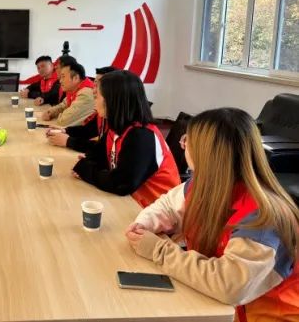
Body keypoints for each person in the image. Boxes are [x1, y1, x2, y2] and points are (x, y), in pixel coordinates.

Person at [126, 108, 299, 321]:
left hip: (270, 314)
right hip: (223, 306)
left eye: (187, 141)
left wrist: (158, 250)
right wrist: (144, 225)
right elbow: (167, 206)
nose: (183, 145)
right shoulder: (203, 185)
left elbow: (230, 286)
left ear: (205, 154)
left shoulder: (262, 217)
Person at [72, 70, 180, 207]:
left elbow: (121, 184)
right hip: (133, 203)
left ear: (112, 101)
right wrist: (90, 167)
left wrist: (87, 170)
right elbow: (95, 155)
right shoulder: (117, 128)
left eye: (97, 96)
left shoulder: (141, 136)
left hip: (156, 212)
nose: (95, 102)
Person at [47, 66, 118, 152]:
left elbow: (104, 149)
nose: (94, 90)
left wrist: (68, 141)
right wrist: (65, 131)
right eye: (95, 84)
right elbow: (87, 130)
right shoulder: (103, 113)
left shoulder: (120, 121)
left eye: (63, 76)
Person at [40, 61, 95, 127]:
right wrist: (51, 112)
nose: (60, 81)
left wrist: (58, 115)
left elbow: (64, 121)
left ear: (75, 78)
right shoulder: (74, 90)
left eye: (63, 77)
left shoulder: (85, 94)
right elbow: (64, 104)